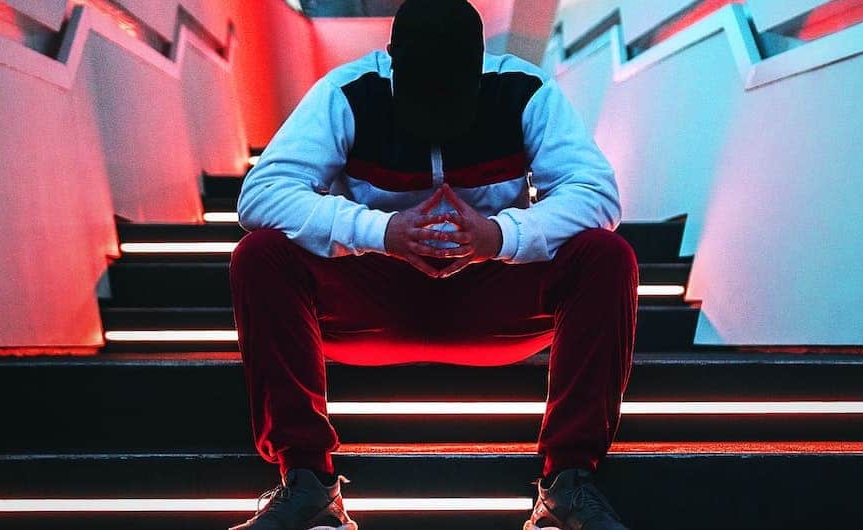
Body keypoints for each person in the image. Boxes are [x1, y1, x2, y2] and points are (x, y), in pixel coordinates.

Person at [228, 1, 635, 528]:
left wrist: (498, 236)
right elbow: (260, 195)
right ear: (392, 58)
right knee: (260, 256)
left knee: (607, 257)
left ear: (481, 61)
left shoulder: (523, 89)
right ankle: (307, 482)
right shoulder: (347, 91)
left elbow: (598, 194)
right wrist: (382, 232)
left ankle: (568, 482)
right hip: (375, 297)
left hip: (489, 294)